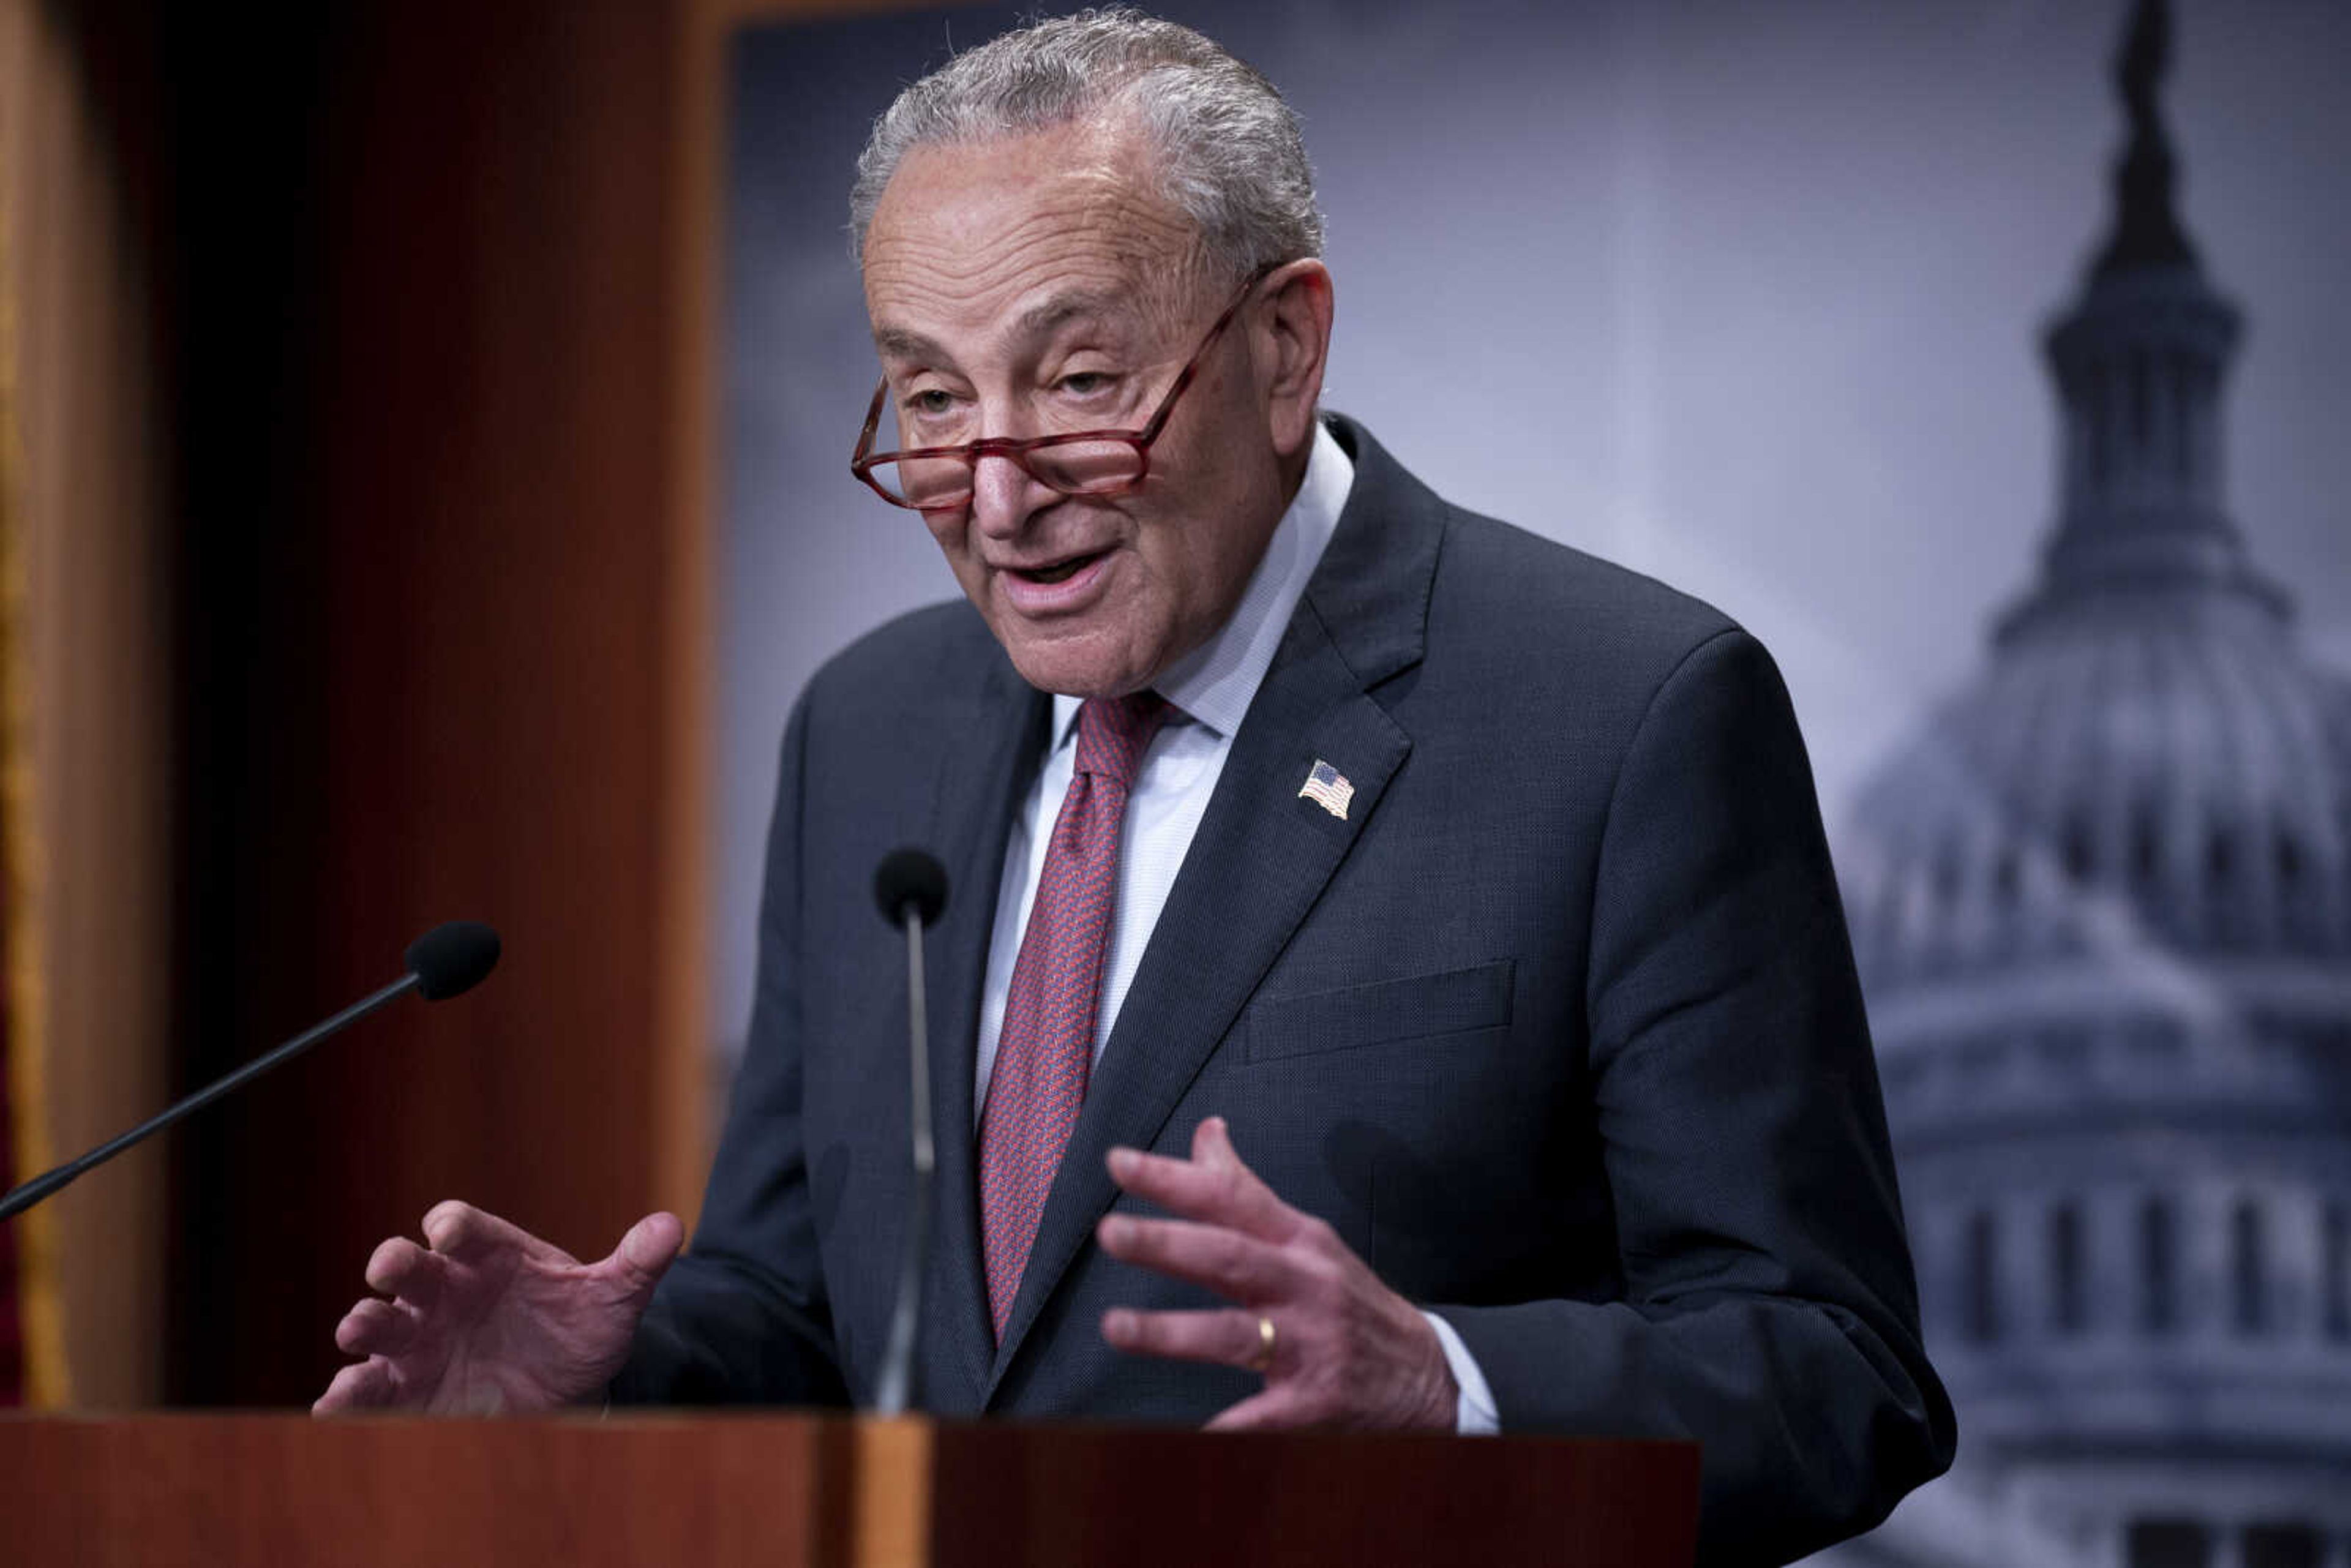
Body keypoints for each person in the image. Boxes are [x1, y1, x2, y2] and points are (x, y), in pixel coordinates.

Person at [315, 10, 1953, 1559]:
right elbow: (827, 1318)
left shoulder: (1628, 714)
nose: (999, 494)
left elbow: (1835, 1372)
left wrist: (1450, 1386)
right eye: (936, 398)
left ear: (1285, 346)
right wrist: (620, 1372)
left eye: (1083, 383)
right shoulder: (864, 731)